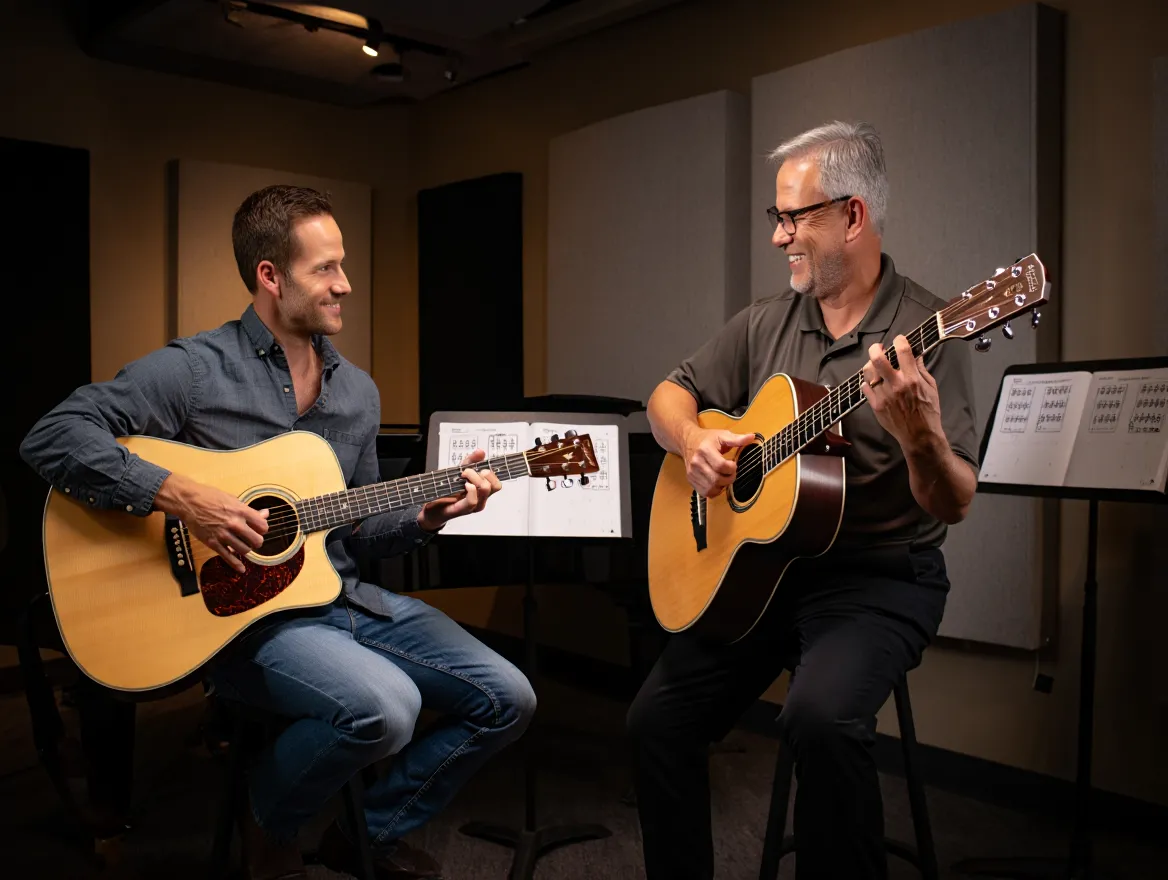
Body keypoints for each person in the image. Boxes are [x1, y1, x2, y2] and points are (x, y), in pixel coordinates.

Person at [20, 184, 537, 880]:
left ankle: (363, 833)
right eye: (326, 269)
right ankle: (268, 819)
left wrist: (424, 515)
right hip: (243, 622)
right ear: (271, 276)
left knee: (510, 697)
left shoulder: (357, 393)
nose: (345, 285)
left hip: (346, 602)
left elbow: (353, 526)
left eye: (342, 265)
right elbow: (52, 436)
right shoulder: (196, 370)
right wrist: (179, 497)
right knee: (388, 709)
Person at [626, 121, 979, 880]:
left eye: (797, 217)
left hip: (879, 582)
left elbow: (953, 502)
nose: (780, 236)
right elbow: (665, 396)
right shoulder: (766, 320)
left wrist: (919, 437)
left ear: (853, 216)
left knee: (819, 720)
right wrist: (692, 441)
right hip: (767, 575)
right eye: (776, 217)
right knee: (655, 719)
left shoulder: (928, 330)